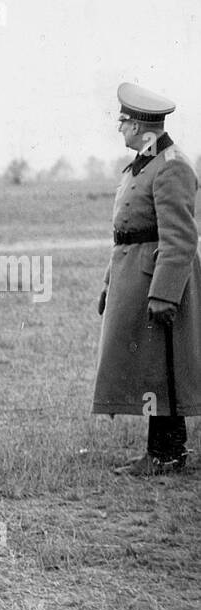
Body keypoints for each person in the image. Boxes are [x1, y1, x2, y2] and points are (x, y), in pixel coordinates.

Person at [94, 82, 200, 475]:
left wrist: (166, 295)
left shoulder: (171, 165)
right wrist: (110, 282)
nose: (119, 127)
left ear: (142, 126)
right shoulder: (144, 163)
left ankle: (167, 454)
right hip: (135, 275)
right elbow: (127, 231)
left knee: (164, 366)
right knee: (151, 365)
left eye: (123, 121)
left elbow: (180, 237)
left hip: (156, 281)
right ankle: (161, 452)